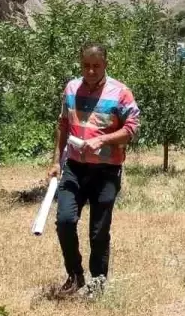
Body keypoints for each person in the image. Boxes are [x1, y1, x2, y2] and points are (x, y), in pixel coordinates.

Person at [48, 43, 141, 298]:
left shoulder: (121, 93)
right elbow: (63, 125)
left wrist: (104, 139)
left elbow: (133, 128)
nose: (90, 71)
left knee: (99, 230)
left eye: (96, 66)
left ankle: (97, 282)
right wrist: (56, 161)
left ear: (105, 64)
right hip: (74, 167)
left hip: (106, 170)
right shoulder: (71, 89)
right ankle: (75, 275)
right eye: (86, 66)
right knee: (65, 221)